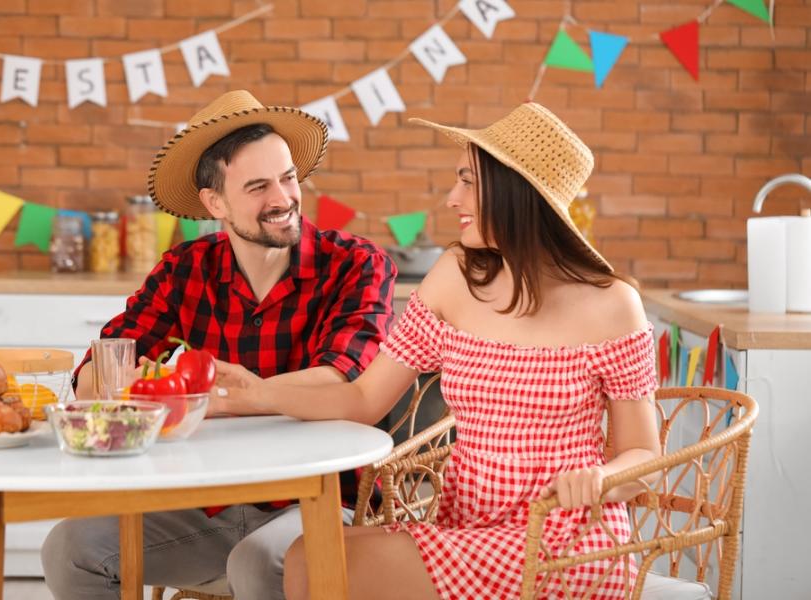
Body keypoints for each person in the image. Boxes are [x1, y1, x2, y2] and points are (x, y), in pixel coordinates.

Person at [212, 102, 662, 599]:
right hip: (467, 528)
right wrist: (256, 393)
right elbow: (363, 398)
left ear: (514, 192)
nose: (452, 199)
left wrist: (600, 478)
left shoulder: (614, 305)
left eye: (467, 182)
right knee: (308, 555)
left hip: (568, 542)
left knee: (314, 563)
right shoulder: (455, 276)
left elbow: (643, 455)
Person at [41, 90, 397, 600]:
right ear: (215, 203)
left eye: (288, 178)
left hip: (318, 501)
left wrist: (226, 397)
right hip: (207, 503)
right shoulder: (184, 270)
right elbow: (100, 371)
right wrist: (124, 386)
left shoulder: (356, 264)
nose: (283, 198)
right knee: (70, 549)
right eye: (258, 187)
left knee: (258, 562)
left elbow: (343, 380)